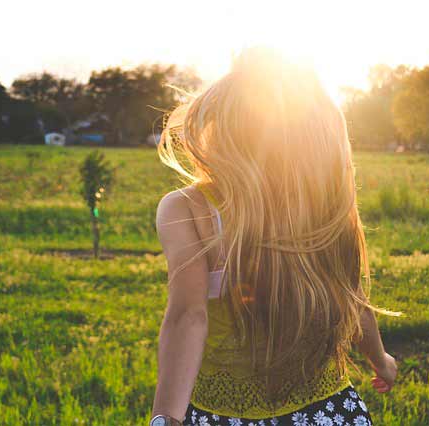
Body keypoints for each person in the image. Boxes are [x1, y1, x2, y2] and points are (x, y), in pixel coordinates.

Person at [151, 47, 399, 426]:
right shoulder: (323, 204)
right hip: (328, 412)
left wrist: (165, 416)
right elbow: (352, 295)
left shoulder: (188, 208)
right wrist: (380, 360)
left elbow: (188, 316)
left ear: (223, 123)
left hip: (225, 415)